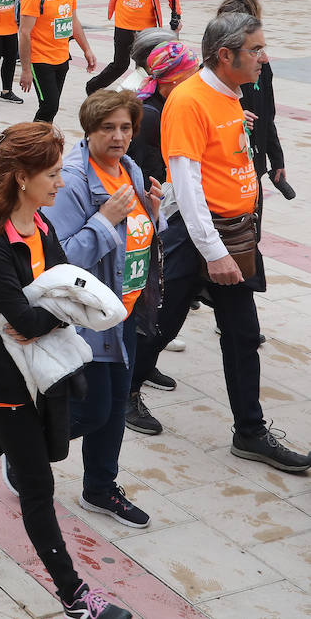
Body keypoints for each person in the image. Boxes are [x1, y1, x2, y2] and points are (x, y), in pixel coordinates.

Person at [0, 122, 133, 619]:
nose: (60, 183)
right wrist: (50, 312)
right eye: (50, 174)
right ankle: (74, 596)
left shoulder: (41, 227)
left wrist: (47, 314)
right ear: (21, 178)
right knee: (38, 488)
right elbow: (27, 316)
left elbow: (74, 290)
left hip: (35, 368)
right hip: (2, 377)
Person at [161, 12, 310, 471]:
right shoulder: (189, 101)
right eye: (256, 50)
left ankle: (249, 431)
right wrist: (216, 253)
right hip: (203, 237)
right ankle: (124, 392)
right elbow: (185, 188)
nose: (264, 58)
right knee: (162, 323)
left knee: (240, 335)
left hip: (234, 236)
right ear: (225, 55)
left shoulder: (232, 93)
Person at [48, 90, 163, 529]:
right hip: (88, 318)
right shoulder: (75, 179)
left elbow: (143, 232)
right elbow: (59, 261)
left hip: (125, 308)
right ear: (90, 131)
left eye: (126, 128)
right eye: (108, 128)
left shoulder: (129, 169)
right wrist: (103, 220)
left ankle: (100, 488)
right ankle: (24, 456)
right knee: (93, 410)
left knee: (114, 410)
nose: (119, 137)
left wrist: (153, 211)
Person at [123, 42, 199, 435]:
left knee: (166, 305)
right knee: (150, 302)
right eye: (189, 73)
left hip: (161, 211)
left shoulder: (168, 106)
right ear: (171, 80)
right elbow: (138, 169)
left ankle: (144, 367)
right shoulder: (150, 115)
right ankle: (128, 392)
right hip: (148, 216)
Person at [216, 0, 287, 198]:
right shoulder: (209, 75)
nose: (262, 57)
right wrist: (232, 117)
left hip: (253, 167)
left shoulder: (262, 68)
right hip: (224, 170)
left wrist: (276, 158)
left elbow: (267, 115)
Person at [18, 0, 97, 124]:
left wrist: (87, 49)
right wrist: (25, 69)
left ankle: (43, 143)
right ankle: (30, 144)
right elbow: (24, 33)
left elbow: (74, 21)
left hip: (61, 59)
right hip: (40, 61)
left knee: (50, 108)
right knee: (49, 107)